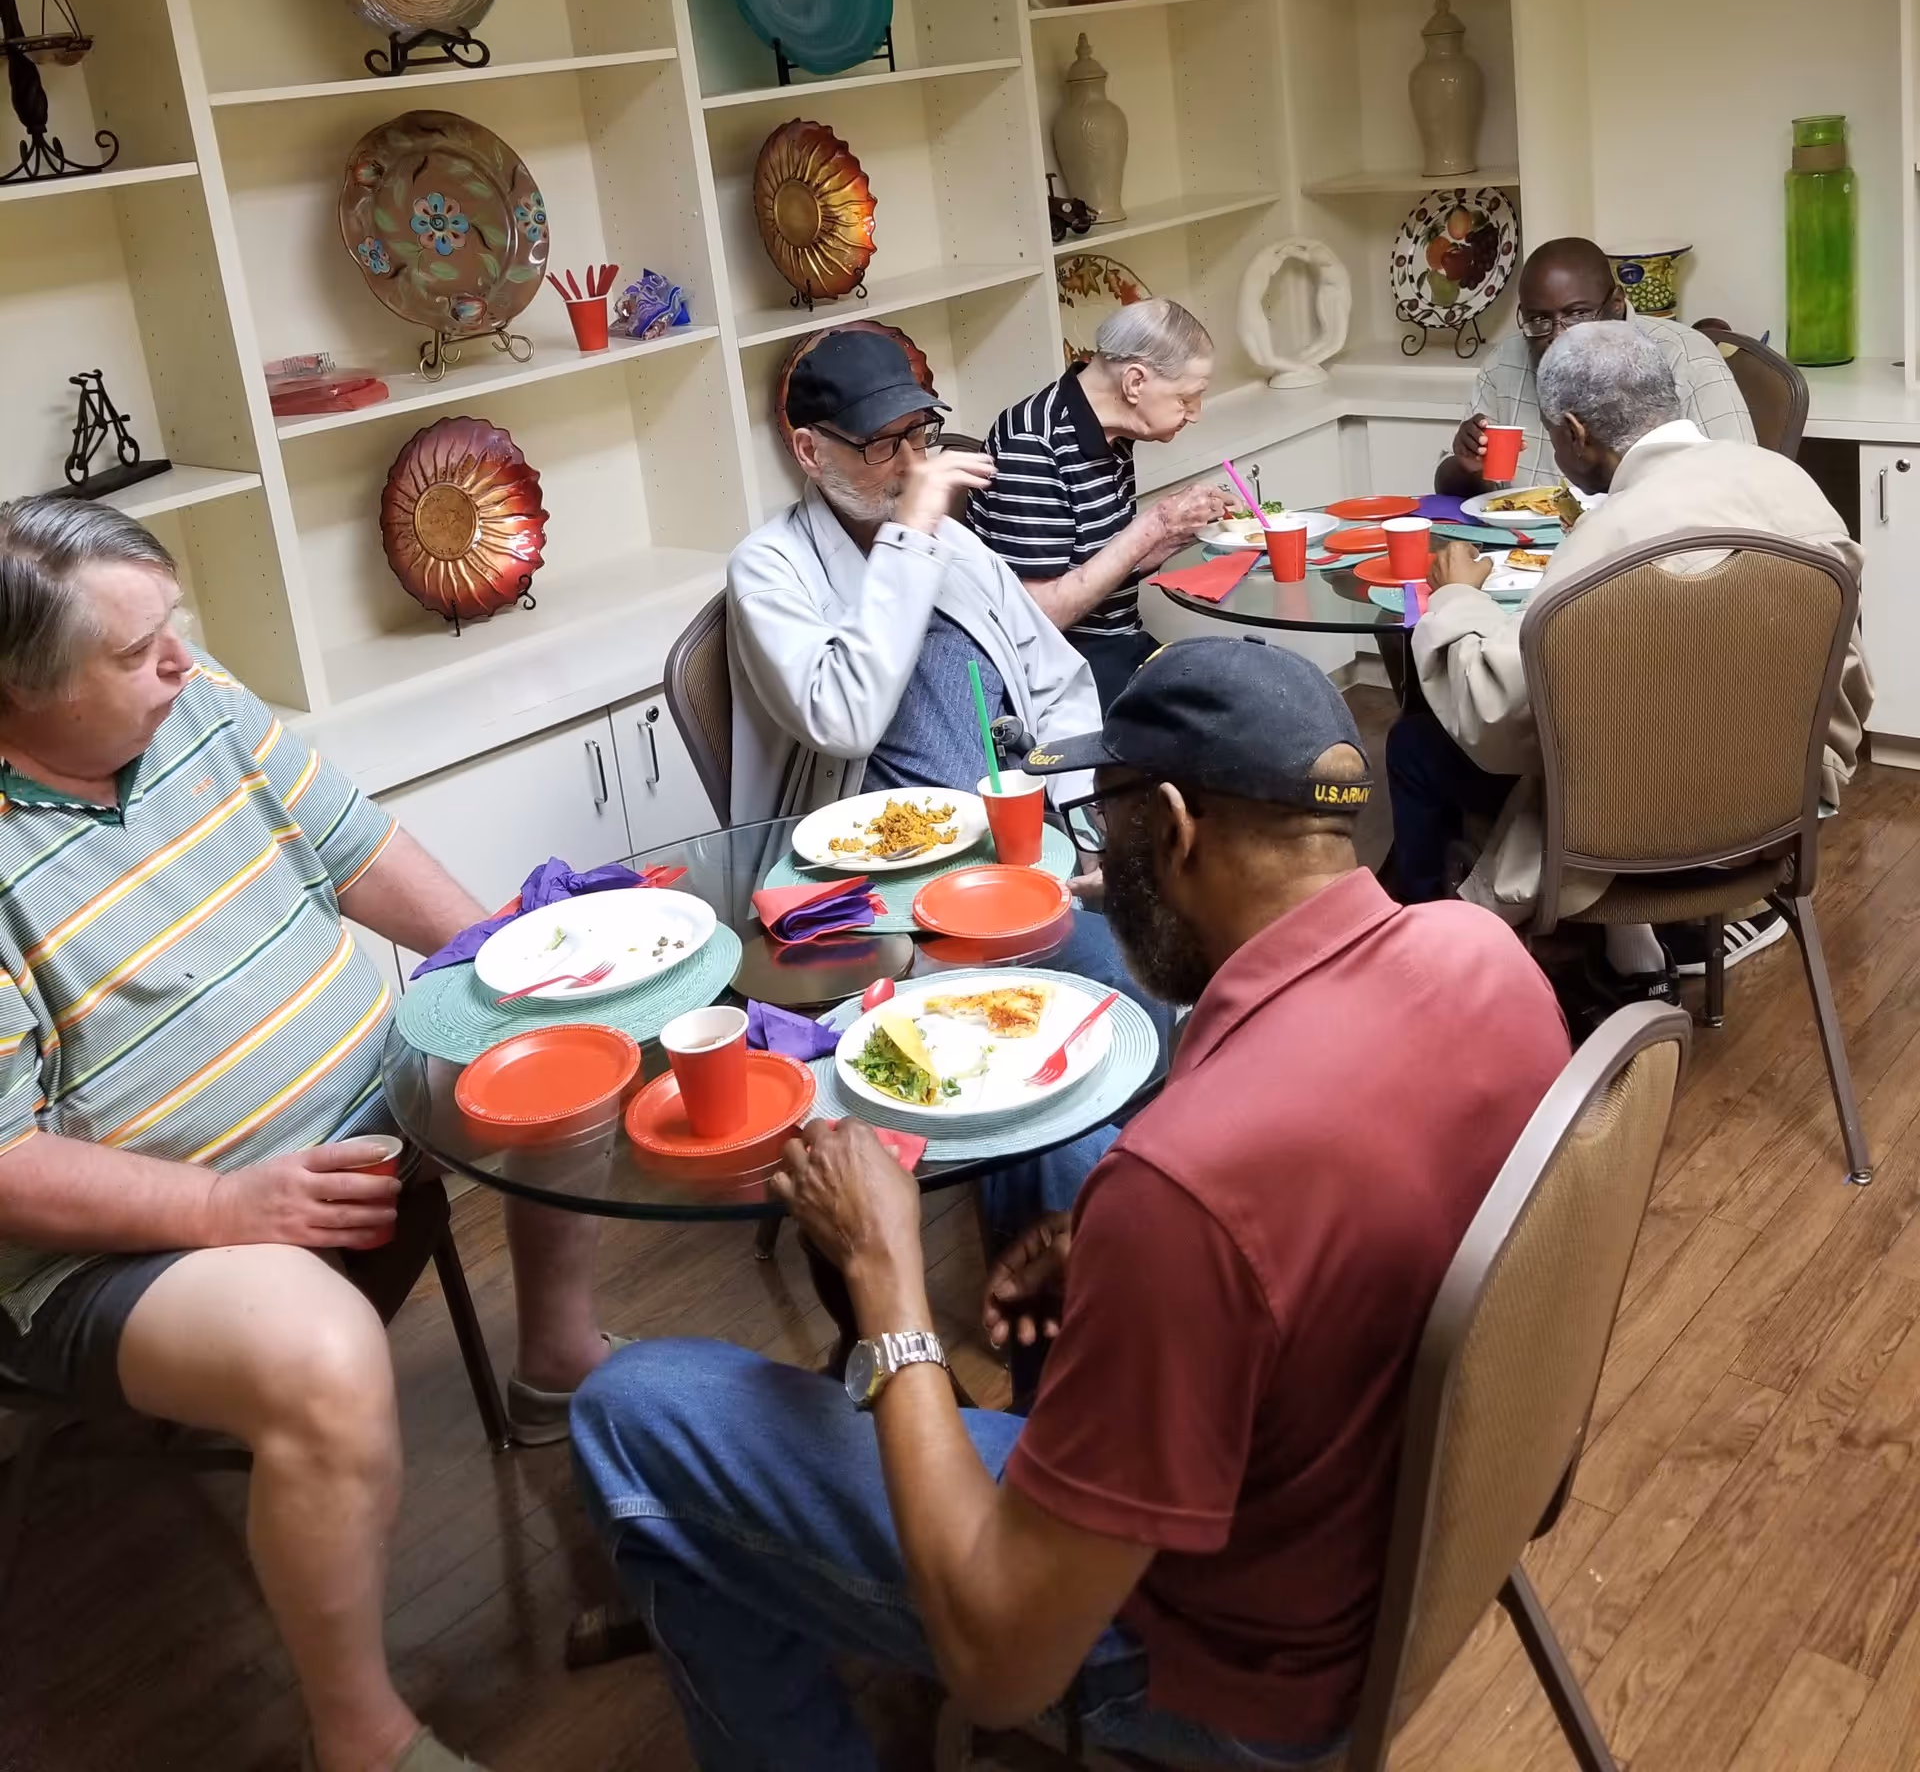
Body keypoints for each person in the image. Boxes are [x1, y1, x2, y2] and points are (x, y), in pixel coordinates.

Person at [570, 640, 1571, 1772]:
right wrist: (1120, 1233)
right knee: (1070, 1166)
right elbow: (1344, 1202)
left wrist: (886, 1280)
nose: (1103, 864)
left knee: (632, 1409)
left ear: (1176, 826)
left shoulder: (1190, 1189)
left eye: (1109, 827)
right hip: (1388, 1541)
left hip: (1230, 1673)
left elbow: (1002, 1663)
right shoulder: (1482, 949)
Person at [0, 499, 615, 1772]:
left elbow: (357, 849)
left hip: (363, 1104)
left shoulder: (198, 696)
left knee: (562, 1048)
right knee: (325, 1353)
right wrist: (225, 1212)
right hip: (124, 1246)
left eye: (171, 625)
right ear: (18, 689)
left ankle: (555, 1363)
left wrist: (496, 971)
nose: (178, 660)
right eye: (132, 653)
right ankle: (362, 1735)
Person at [1393, 321, 1870, 992]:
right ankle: (1624, 946)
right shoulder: (1791, 486)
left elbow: (1496, 724)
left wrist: (1456, 603)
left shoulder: (1606, 541)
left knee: (1418, 745)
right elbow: (1846, 672)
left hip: (1632, 827)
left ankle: (1425, 964)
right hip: (1778, 808)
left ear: (1573, 433)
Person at [727, 327, 1100, 819]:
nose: (910, 466)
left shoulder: (951, 541)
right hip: (881, 855)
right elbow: (845, 723)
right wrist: (908, 539)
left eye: (917, 434)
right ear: (809, 451)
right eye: (880, 443)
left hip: (1021, 821)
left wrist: (1082, 811)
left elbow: (1055, 683)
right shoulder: (768, 566)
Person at [970, 300, 1227, 710]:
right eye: (1186, 398)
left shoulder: (1112, 432)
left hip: (1116, 643)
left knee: (1244, 679)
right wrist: (1155, 524)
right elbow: (1041, 617)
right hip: (1058, 668)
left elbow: (1102, 564)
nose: (1195, 413)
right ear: (1135, 383)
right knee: (1226, 711)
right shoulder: (1033, 444)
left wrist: (1180, 529)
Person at [1435, 235, 1754, 497]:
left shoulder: (1687, 359)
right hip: (1519, 560)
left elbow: (1741, 485)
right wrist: (1466, 465)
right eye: (1539, 319)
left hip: (1648, 555)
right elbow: (1453, 491)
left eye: (1577, 314)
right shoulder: (1504, 364)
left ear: (1616, 304)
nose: (1559, 335)